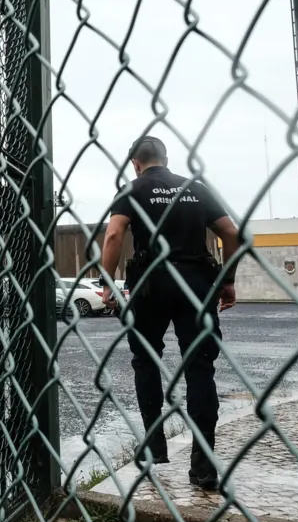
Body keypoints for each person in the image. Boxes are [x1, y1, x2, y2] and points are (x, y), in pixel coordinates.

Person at [98, 135, 240, 491]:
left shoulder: (132, 189)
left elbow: (114, 235)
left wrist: (106, 284)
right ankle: (204, 468)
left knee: (146, 360)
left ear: (135, 162)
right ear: (166, 157)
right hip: (196, 282)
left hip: (151, 284)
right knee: (200, 368)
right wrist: (227, 280)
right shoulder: (196, 188)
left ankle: (154, 447)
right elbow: (231, 233)